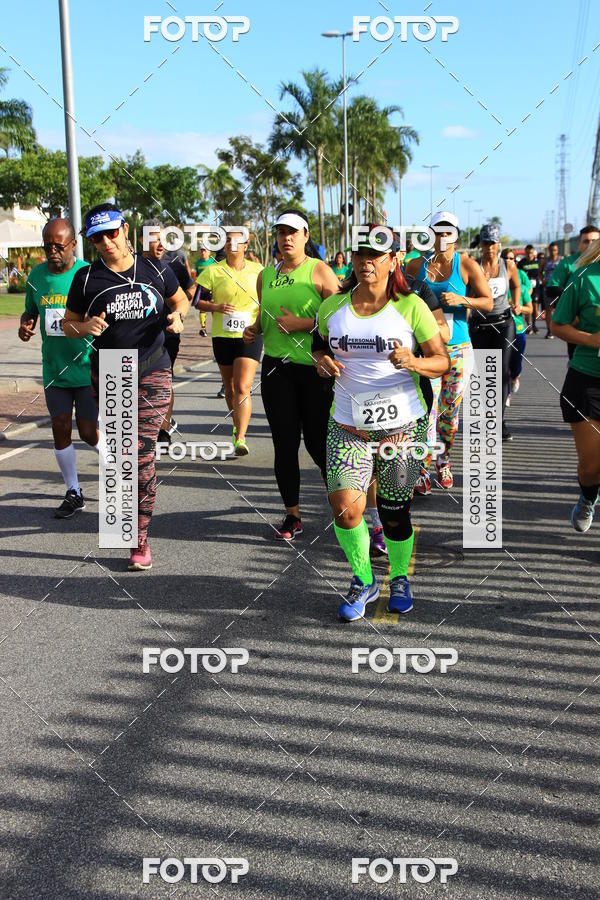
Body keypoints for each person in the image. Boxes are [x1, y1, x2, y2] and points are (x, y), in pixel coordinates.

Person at [312, 225, 449, 621]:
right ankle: (363, 578)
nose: (366, 261)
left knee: (393, 512)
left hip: (401, 426)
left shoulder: (411, 306)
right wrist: (322, 362)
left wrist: (414, 361)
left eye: (376, 255)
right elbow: (319, 346)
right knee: (345, 509)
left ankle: (400, 577)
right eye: (360, 255)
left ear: (393, 260)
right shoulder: (332, 307)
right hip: (347, 424)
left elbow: (441, 361)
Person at [63, 203, 189, 571]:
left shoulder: (154, 267)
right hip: (111, 373)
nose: (106, 242)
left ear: (126, 229)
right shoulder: (86, 279)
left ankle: (139, 539)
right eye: (97, 237)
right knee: (122, 459)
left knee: (142, 454)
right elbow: (69, 323)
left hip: (152, 368)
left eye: (111, 233)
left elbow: (179, 300)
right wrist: (84, 328)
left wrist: (179, 317)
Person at [244, 209, 340, 539]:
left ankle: (345, 505)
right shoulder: (266, 275)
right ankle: (292, 516)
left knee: (317, 443)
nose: (286, 238)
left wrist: (306, 324)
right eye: (281, 232)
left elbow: (341, 319)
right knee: (284, 444)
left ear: (305, 236)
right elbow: (265, 313)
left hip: (314, 369)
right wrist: (254, 328)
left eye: (293, 232)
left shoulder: (320, 271)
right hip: (276, 369)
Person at [406, 212, 493, 490]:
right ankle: (422, 467)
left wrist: (462, 299)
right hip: (428, 349)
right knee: (427, 410)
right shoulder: (416, 265)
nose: (443, 237)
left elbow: (488, 302)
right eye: (437, 232)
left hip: (458, 349)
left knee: (449, 411)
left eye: (448, 232)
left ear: (456, 235)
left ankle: (443, 460)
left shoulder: (466, 265)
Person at [18, 217, 97, 518]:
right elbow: (30, 311)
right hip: (54, 368)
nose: (52, 251)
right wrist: (25, 326)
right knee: (60, 428)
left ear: (73, 245)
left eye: (58, 246)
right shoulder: (36, 275)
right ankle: (73, 491)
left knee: (89, 432)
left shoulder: (87, 274)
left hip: (87, 365)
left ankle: (120, 472)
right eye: (47, 245)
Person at [193, 230, 263, 456]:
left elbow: (268, 300)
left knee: (243, 386)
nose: (232, 244)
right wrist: (216, 307)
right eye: (228, 241)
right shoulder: (213, 270)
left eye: (237, 241)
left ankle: (241, 437)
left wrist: (260, 324)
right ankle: (236, 425)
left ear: (246, 244)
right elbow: (196, 301)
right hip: (222, 336)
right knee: (231, 387)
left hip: (249, 334)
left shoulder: (258, 270)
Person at [551, 237, 600, 533]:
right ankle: (587, 496)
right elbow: (557, 325)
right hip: (587, 380)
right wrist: (592, 339)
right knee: (592, 467)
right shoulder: (583, 276)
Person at [141, 220, 196, 445]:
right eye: (155, 238)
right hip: (140, 335)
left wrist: (179, 309)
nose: (161, 244)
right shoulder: (133, 265)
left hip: (168, 333)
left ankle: (163, 428)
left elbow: (190, 288)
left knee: (164, 379)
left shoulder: (173, 262)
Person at [470, 223, 520, 441]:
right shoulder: (473, 266)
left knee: (500, 371)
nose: (489, 247)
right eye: (486, 243)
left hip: (504, 323)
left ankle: (499, 421)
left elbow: (516, 285)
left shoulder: (507, 265)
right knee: (483, 374)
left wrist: (516, 302)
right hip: (480, 324)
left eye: (493, 243)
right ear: (480, 244)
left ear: (499, 244)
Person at [546, 225, 600, 359]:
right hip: (574, 322)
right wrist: (570, 309)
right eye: (586, 241)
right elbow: (552, 288)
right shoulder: (568, 263)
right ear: (579, 244)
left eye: (594, 241)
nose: (591, 245)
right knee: (575, 356)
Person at [501, 248, 532, 398]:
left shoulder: (522, 283)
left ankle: (515, 376)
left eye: (511, 258)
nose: (508, 261)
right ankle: (505, 395)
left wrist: (520, 308)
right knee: (502, 364)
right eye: (505, 258)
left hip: (518, 329)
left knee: (516, 364)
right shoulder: (493, 282)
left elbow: (530, 308)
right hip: (499, 328)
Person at [518, 245, 541, 333]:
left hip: (535, 287)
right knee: (528, 306)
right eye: (527, 253)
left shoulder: (537, 262)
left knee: (535, 307)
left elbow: (540, 272)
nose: (529, 255)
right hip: (526, 288)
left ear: (533, 252)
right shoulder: (521, 263)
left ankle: (534, 324)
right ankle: (529, 325)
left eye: (531, 253)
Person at [542, 242, 561, 338]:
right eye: (551, 250)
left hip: (559, 288)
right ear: (548, 250)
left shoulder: (561, 260)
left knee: (560, 310)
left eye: (555, 250)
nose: (553, 252)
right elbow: (540, 271)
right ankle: (549, 330)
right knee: (548, 310)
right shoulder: (545, 261)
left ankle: (559, 329)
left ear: (557, 251)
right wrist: (542, 280)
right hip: (548, 288)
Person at [195, 246, 215, 336]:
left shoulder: (213, 262)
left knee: (213, 306)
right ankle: (203, 329)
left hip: (211, 287)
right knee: (202, 307)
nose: (203, 253)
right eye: (202, 251)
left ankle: (216, 326)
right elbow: (197, 275)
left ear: (209, 252)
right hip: (201, 288)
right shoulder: (198, 262)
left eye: (205, 251)